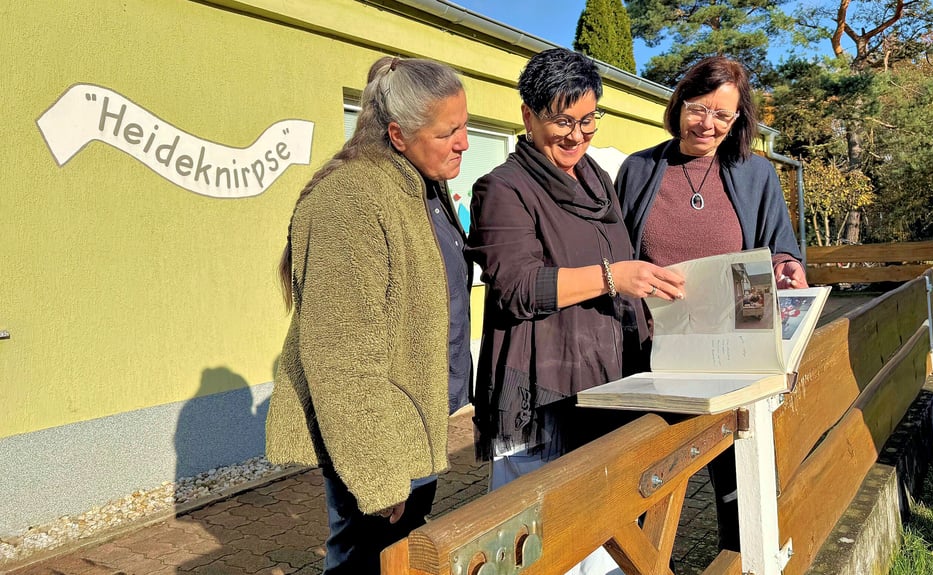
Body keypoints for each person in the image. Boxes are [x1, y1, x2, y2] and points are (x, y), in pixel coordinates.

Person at [467, 48, 685, 575]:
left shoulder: (595, 181)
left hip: (603, 383)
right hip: (543, 396)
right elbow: (518, 288)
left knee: (605, 544)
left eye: (587, 120)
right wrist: (615, 277)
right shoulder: (503, 188)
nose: (576, 135)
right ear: (528, 115)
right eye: (562, 121)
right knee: (547, 549)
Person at [264, 56, 472, 575]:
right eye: (449, 132)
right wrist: (378, 478)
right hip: (377, 442)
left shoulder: (419, 184)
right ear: (398, 135)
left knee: (401, 556)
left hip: (413, 425)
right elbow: (339, 356)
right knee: (364, 561)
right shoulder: (351, 198)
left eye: (465, 126)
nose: (465, 143)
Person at [616, 56, 808, 552]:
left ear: (739, 121)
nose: (708, 124)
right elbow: (618, 254)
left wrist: (788, 265)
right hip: (658, 355)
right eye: (699, 109)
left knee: (738, 480)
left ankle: (742, 559)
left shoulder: (755, 172)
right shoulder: (639, 169)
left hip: (734, 357)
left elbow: (778, 244)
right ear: (679, 105)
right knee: (652, 479)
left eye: (723, 116)